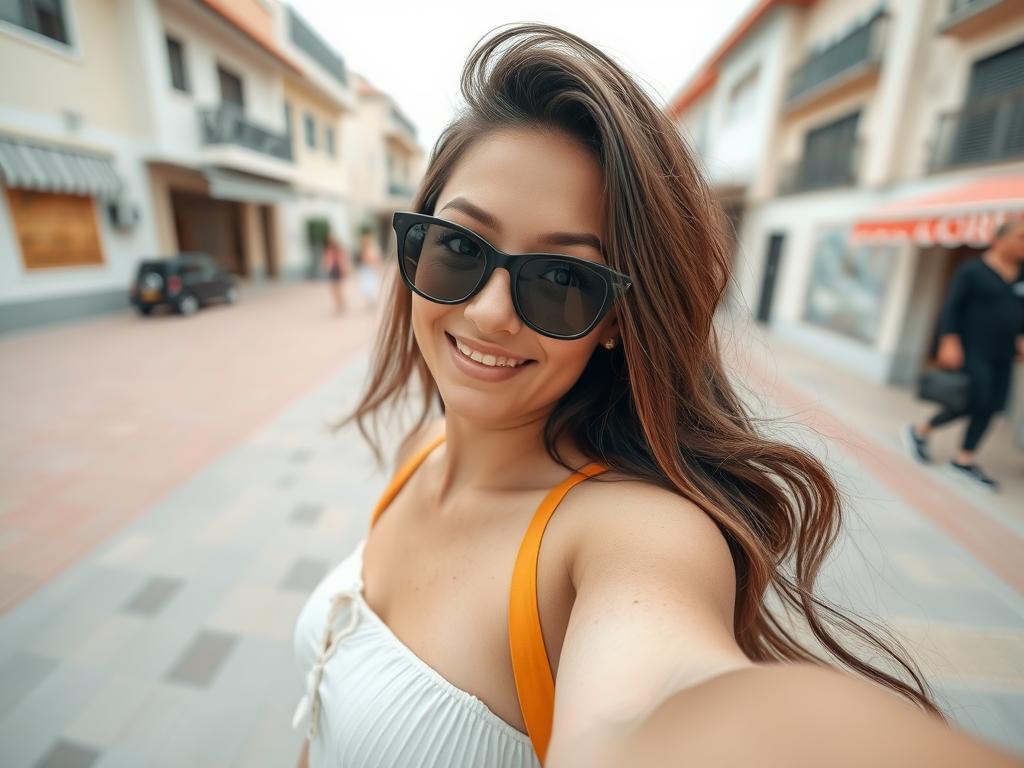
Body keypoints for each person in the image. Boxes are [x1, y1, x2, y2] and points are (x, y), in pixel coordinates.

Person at [292, 25, 1017, 768]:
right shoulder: (424, 449)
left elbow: (661, 705)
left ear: (614, 321)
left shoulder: (627, 535)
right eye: (459, 247)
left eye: (564, 280)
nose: (489, 312)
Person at [904, 218, 1024, 491]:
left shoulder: (1022, 274)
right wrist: (949, 340)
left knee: (992, 405)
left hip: (1003, 353)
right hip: (973, 350)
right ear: (999, 239)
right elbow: (952, 308)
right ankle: (921, 431)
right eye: (1020, 236)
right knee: (974, 400)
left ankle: (962, 459)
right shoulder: (972, 271)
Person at [320, 234, 350, 314]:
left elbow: (343, 259)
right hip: (331, 271)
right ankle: (338, 304)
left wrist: (344, 268)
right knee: (333, 289)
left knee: (338, 288)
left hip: (337, 270)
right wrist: (325, 266)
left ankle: (341, 304)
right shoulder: (328, 250)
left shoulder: (338, 250)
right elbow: (326, 260)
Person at [356, 228, 382, 310]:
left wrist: (375, 265)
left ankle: (372, 301)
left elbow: (373, 259)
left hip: (368, 269)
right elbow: (368, 259)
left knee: (370, 285)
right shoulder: (366, 250)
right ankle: (371, 301)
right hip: (366, 269)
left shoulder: (370, 249)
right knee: (368, 285)